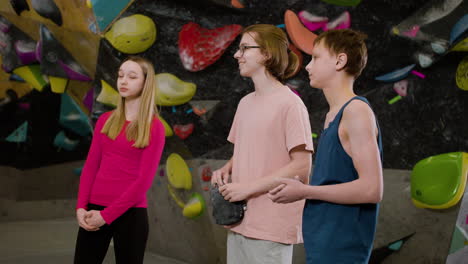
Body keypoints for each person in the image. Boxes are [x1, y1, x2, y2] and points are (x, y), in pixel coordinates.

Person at [268, 29, 384, 263]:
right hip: (322, 242)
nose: (308, 66)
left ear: (340, 61)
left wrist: (305, 191)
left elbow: (372, 189)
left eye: (316, 58)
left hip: (341, 249)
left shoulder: (356, 111)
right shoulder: (333, 115)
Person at [211, 24, 314, 264]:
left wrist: (248, 188)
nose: (237, 55)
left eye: (245, 48)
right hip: (237, 221)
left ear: (267, 53)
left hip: (270, 226)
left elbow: (301, 166)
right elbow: (249, 148)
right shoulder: (245, 103)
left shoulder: (291, 104)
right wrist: (228, 168)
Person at [74, 56, 165, 264]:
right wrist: (81, 207)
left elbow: (143, 182)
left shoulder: (154, 127)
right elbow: (90, 167)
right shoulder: (105, 121)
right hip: (93, 209)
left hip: (130, 213)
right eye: (120, 75)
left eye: (132, 77)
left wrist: (107, 216)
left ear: (145, 83)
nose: (123, 81)